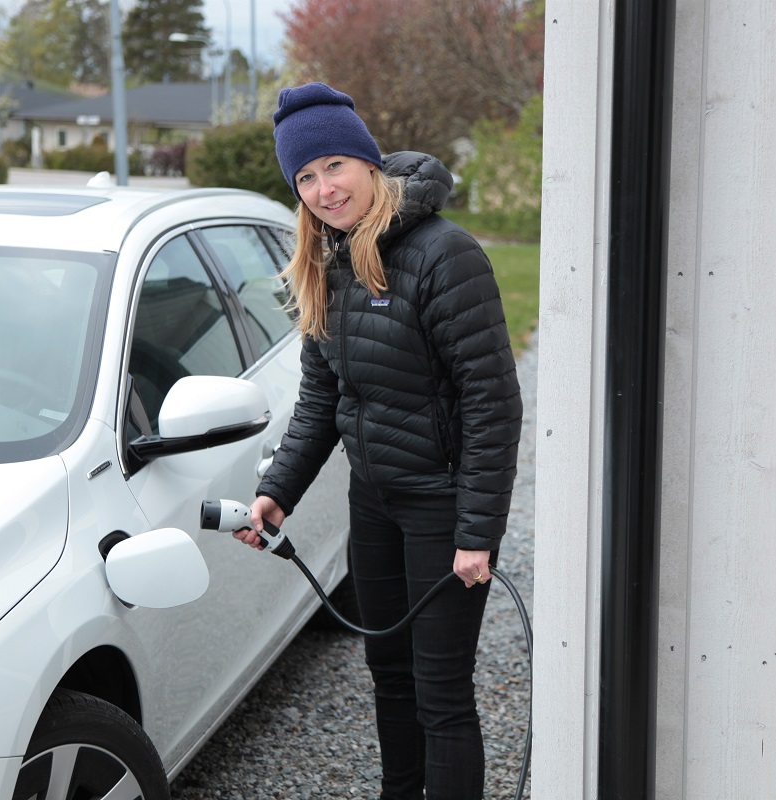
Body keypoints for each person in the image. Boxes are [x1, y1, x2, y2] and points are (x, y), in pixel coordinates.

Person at [232, 82, 523, 800]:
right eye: (306, 177)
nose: (324, 188)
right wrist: (278, 493)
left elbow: (494, 402)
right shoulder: (326, 264)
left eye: (334, 166)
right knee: (388, 675)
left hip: (442, 508)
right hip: (376, 503)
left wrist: (476, 532)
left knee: (440, 694)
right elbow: (323, 398)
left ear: (367, 162)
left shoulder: (444, 256)